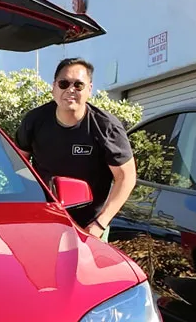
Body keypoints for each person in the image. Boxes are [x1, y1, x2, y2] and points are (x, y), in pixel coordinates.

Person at [14, 58, 137, 240]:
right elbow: (16, 164)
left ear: (89, 89)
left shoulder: (106, 127)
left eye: (78, 85)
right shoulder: (34, 121)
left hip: (88, 226)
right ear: (54, 87)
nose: (70, 90)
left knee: (87, 269)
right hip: (44, 220)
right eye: (64, 83)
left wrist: (100, 224)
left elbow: (126, 177)